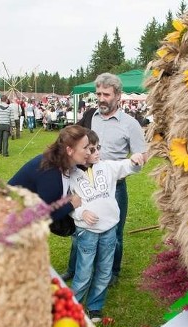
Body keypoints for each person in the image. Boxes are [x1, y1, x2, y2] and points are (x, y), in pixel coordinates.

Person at [62, 72, 147, 285]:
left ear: (118, 95)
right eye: (98, 93)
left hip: (114, 187)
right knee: (79, 227)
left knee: (114, 232)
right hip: (84, 183)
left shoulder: (131, 124)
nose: (101, 98)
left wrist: (136, 160)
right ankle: (74, 269)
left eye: (106, 94)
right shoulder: (89, 116)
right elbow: (72, 141)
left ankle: (112, 273)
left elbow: (141, 154)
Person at [69, 130, 145, 321]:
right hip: (87, 232)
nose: (96, 153)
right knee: (84, 273)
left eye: (98, 148)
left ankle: (95, 306)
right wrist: (80, 213)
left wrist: (135, 160)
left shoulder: (108, 167)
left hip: (109, 230)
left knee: (104, 271)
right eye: (91, 149)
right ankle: (73, 308)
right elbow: (66, 203)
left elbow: (127, 166)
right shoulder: (69, 175)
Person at [8, 125, 89, 226]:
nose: (89, 152)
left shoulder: (63, 162)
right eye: (85, 148)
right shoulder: (50, 172)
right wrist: (71, 205)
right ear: (69, 150)